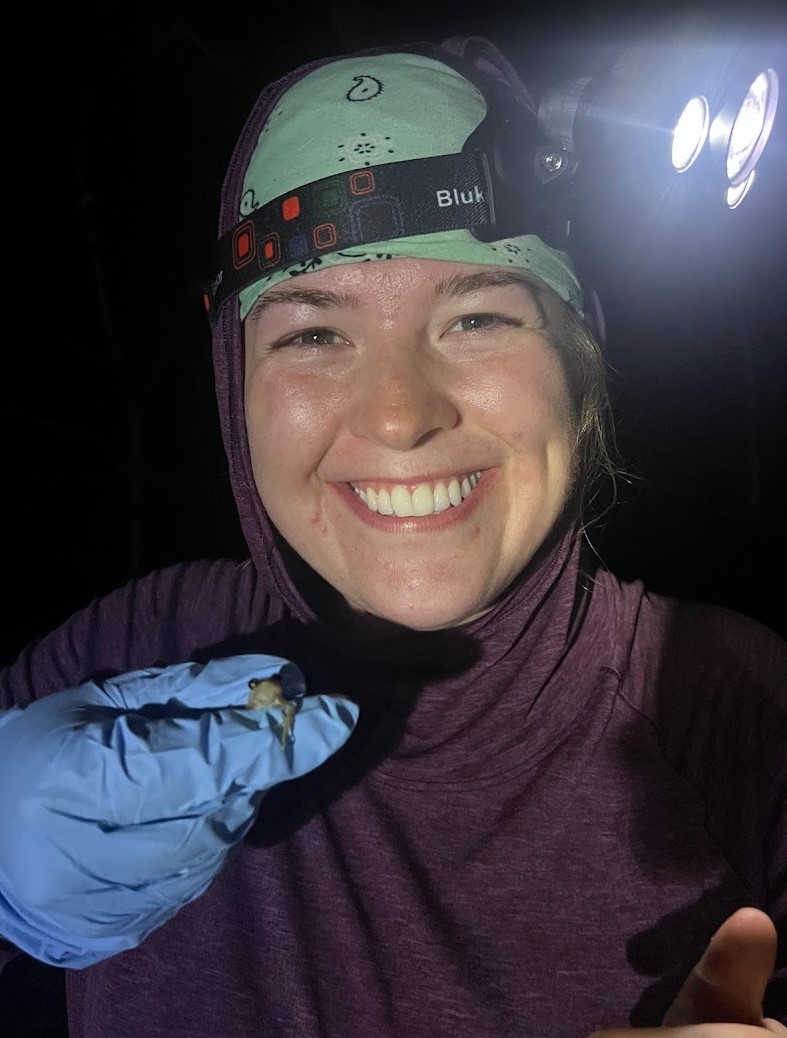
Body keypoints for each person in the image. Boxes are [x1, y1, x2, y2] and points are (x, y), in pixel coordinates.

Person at [1, 31, 785, 1038]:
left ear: (579, 363)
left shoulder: (725, 706)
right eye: (314, 333)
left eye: (477, 320)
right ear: (233, 387)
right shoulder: (133, 652)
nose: (399, 416)